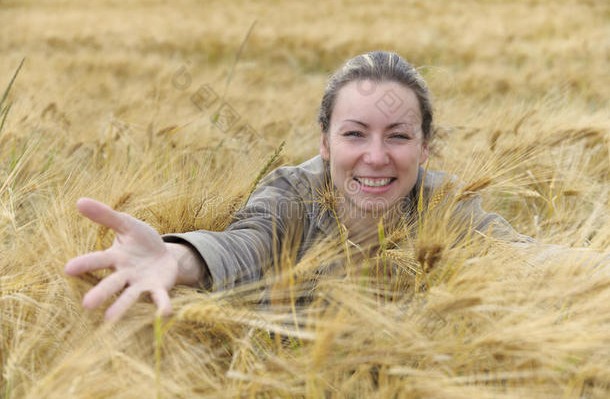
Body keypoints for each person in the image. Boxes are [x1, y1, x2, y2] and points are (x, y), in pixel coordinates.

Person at [64, 51, 550, 321]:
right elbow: (245, 246)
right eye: (354, 134)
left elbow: (521, 257)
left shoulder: (443, 202)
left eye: (399, 136)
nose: (376, 156)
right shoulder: (290, 195)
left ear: (424, 150)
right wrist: (176, 257)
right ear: (324, 143)